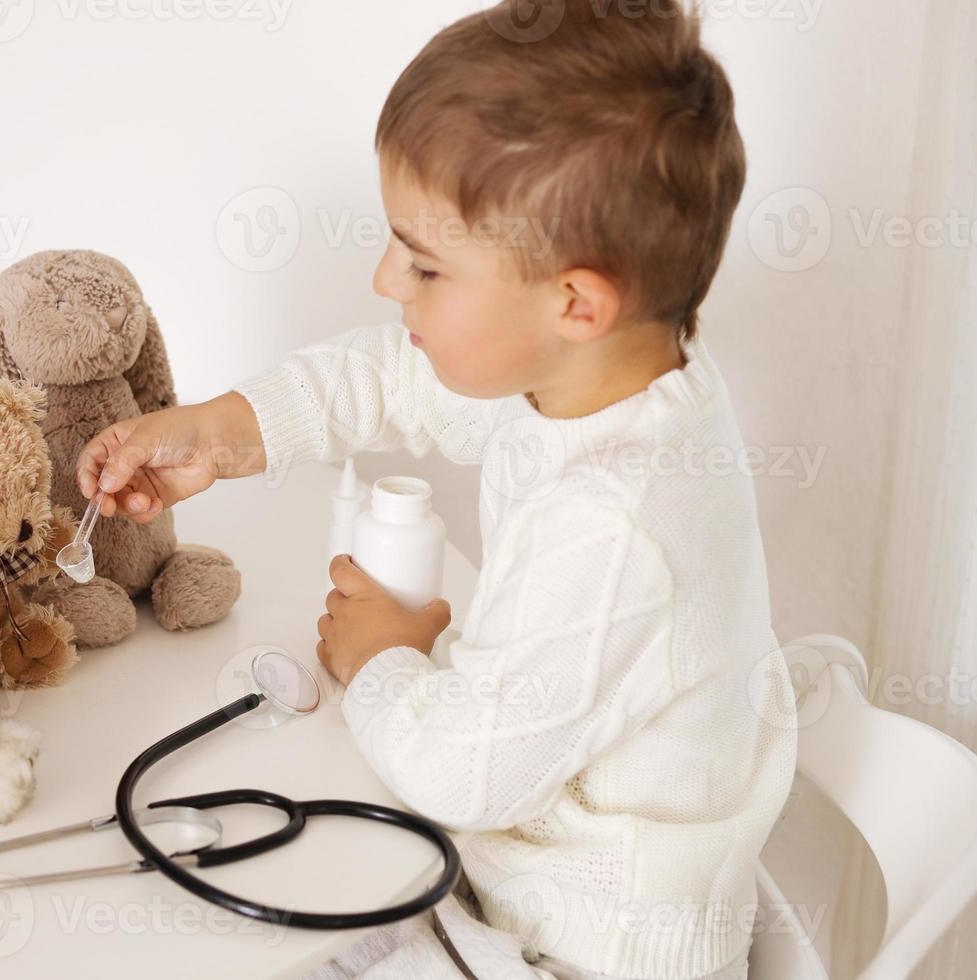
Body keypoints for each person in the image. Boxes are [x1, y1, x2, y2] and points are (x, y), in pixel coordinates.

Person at [76, 3, 796, 977]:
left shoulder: (615, 521)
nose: (385, 278)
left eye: (424, 263)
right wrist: (226, 430)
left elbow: (465, 772)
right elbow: (394, 377)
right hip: (535, 872)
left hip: (590, 943)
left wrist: (383, 657)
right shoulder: (606, 376)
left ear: (576, 301)